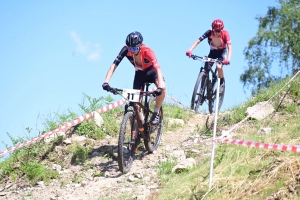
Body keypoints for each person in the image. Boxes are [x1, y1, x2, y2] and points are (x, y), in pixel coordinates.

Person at [102, 31, 166, 125]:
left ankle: (156, 112)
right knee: (135, 103)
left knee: (163, 87)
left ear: (140, 45)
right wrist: (106, 82)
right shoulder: (125, 50)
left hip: (152, 72)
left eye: (135, 48)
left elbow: (158, 69)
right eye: (130, 48)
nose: (132, 50)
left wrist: (160, 87)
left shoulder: (147, 51)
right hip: (139, 74)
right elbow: (114, 66)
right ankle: (138, 123)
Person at [186, 19, 232, 93]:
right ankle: (202, 90)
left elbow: (230, 47)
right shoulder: (209, 32)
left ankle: (221, 82)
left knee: (218, 66)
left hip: (222, 53)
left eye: (219, 31)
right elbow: (198, 41)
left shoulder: (225, 34)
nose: (217, 33)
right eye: (215, 30)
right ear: (213, 29)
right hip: (212, 52)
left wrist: (228, 59)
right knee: (205, 69)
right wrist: (190, 50)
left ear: (222, 30)